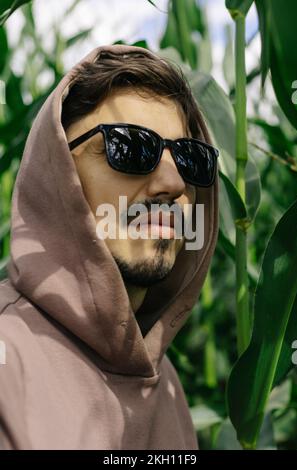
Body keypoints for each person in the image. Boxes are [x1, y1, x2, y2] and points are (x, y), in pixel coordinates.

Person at [0, 43, 219, 450]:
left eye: (190, 160)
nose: (173, 184)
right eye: (131, 147)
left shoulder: (166, 383)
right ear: (57, 174)